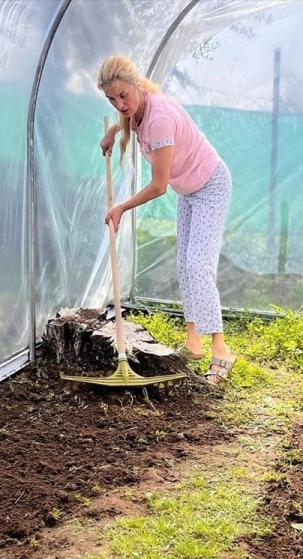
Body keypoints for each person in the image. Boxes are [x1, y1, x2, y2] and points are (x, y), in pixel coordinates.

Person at [97, 55, 236, 385]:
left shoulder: (158, 119)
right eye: (111, 99)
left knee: (198, 266)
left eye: (123, 96)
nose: (120, 103)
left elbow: (159, 186)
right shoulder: (138, 107)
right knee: (184, 266)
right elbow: (131, 114)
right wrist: (114, 131)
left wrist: (120, 208)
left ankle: (222, 349)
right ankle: (193, 342)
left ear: (137, 86)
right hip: (188, 190)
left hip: (210, 185)